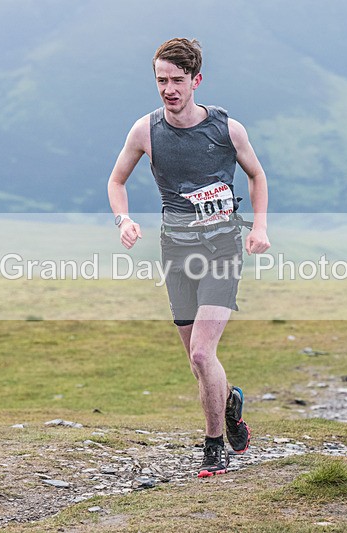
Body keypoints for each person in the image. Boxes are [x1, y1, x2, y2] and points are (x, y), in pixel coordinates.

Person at [107, 38, 270, 477]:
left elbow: (256, 175)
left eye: (177, 80)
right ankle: (230, 404)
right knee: (198, 362)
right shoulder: (145, 131)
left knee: (201, 354)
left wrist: (259, 227)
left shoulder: (227, 129)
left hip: (222, 250)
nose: (168, 89)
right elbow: (116, 180)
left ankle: (213, 445)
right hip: (176, 253)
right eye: (161, 80)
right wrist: (123, 220)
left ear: (197, 80)